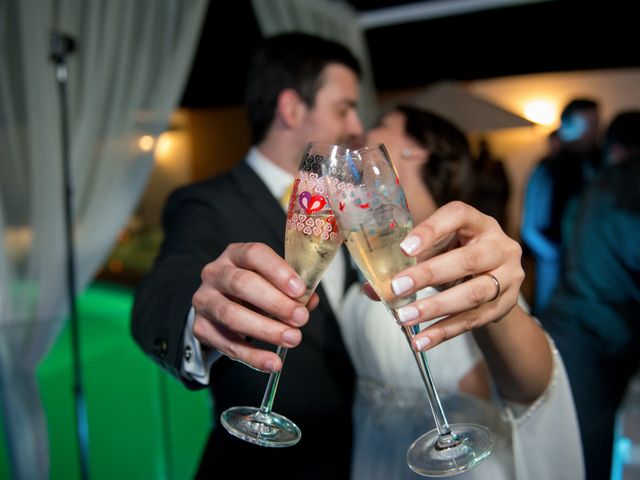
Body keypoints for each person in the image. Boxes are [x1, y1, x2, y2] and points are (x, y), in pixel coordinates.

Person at [132, 33, 365, 478]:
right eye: (343, 108)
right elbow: (163, 291)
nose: (356, 124)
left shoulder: (350, 199)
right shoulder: (207, 203)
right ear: (292, 108)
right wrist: (197, 318)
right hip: (262, 468)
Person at [339, 105, 583, 479]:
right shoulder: (361, 246)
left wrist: (495, 306)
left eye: (380, 124)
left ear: (416, 149)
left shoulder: (467, 254)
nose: (359, 131)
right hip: (375, 457)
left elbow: (528, 387)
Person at [541, 110, 640, 480]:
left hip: (569, 322)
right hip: (596, 333)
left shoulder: (597, 182)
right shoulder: (624, 186)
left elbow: (568, 232)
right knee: (587, 454)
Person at [521, 98, 601, 315]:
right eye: (590, 124)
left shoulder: (596, 164)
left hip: (589, 271)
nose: (595, 131)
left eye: (596, 124)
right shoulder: (547, 170)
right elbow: (529, 228)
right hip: (556, 269)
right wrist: (554, 257)